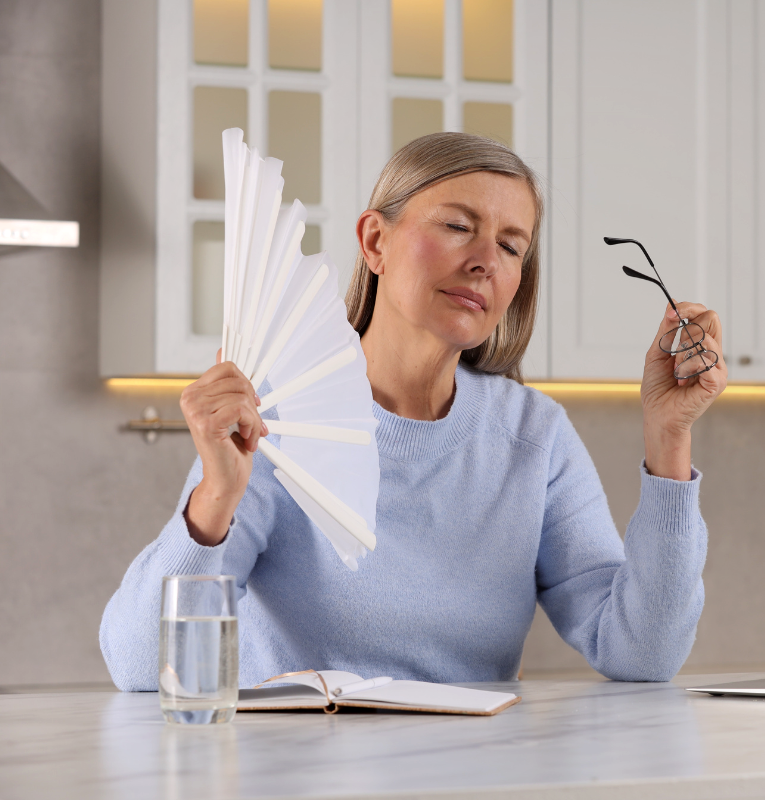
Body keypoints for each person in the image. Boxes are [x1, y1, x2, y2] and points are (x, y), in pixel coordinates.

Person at [100, 133, 727, 689]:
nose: (485, 259)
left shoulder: (534, 436)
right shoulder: (275, 421)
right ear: (375, 240)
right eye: (457, 226)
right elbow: (140, 666)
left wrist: (668, 439)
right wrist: (216, 496)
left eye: (512, 246)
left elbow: (642, 653)